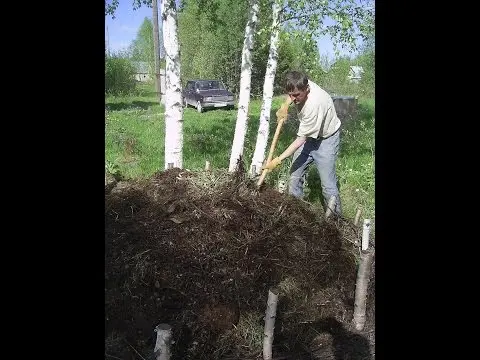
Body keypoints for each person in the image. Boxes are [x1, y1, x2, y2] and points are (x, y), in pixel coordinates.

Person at [262, 70, 342, 215]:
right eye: (290, 95)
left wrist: (278, 160)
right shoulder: (299, 85)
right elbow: (291, 93)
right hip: (309, 136)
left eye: (297, 95)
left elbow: (300, 140)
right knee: (295, 175)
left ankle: (336, 221)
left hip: (326, 140)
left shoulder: (315, 104)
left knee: (328, 186)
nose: (293, 98)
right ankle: (297, 214)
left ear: (307, 89)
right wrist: (285, 106)